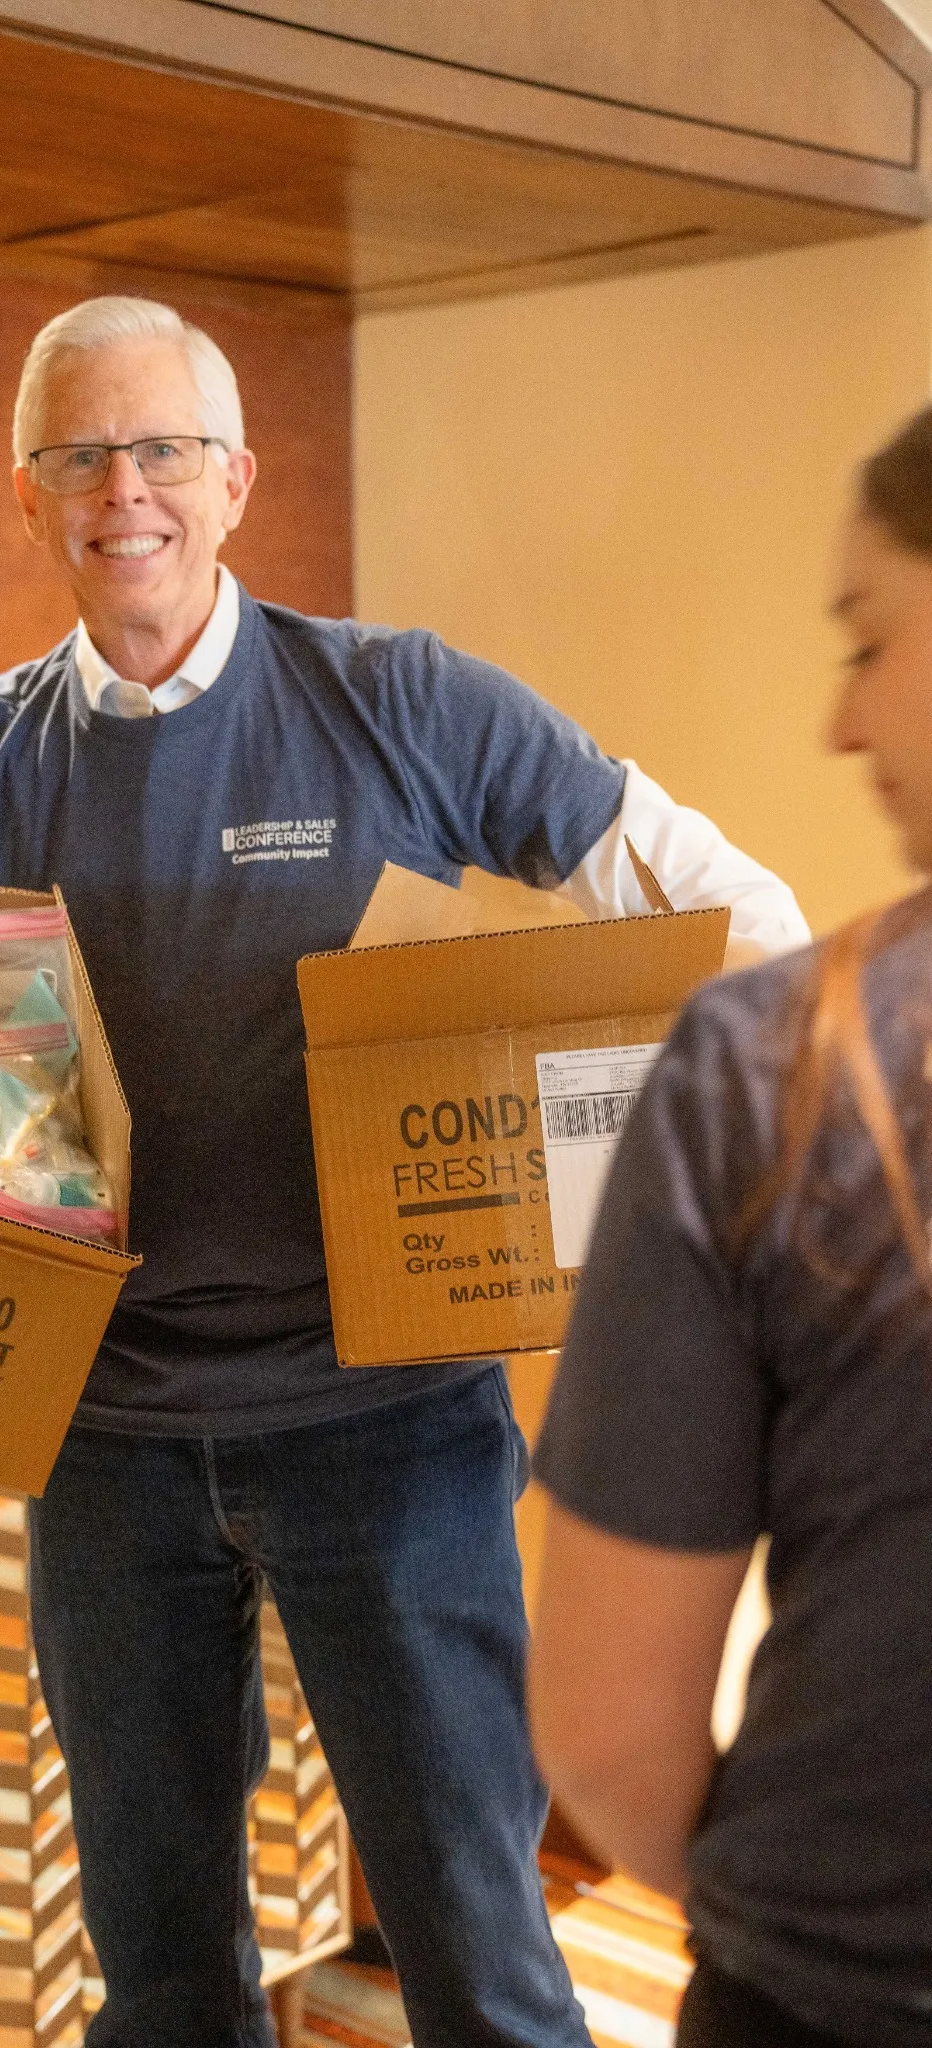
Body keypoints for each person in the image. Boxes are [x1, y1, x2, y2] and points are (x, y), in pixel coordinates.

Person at [0, 296, 809, 2048]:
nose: (122, 491)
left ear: (236, 482)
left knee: (480, 1946)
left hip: (393, 1430)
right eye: (79, 455)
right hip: (103, 1443)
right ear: (27, 497)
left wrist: (736, 1205)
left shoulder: (399, 703)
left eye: (160, 450)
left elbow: (726, 913)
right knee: (160, 1970)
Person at [528, 406, 932, 2046]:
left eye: (872, 638)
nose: (841, 722)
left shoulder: (771, 1072)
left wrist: (793, 1917)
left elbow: (610, 1739)